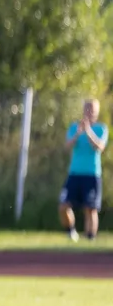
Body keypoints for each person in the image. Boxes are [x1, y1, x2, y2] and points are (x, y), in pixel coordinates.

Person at [59, 99, 107, 241]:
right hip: (74, 173)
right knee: (63, 205)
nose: (89, 112)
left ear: (97, 112)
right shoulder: (74, 127)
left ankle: (90, 238)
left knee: (90, 208)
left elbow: (99, 147)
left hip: (92, 174)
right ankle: (71, 232)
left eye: (92, 109)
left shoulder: (101, 128)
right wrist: (78, 133)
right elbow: (67, 146)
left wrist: (88, 132)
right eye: (87, 109)